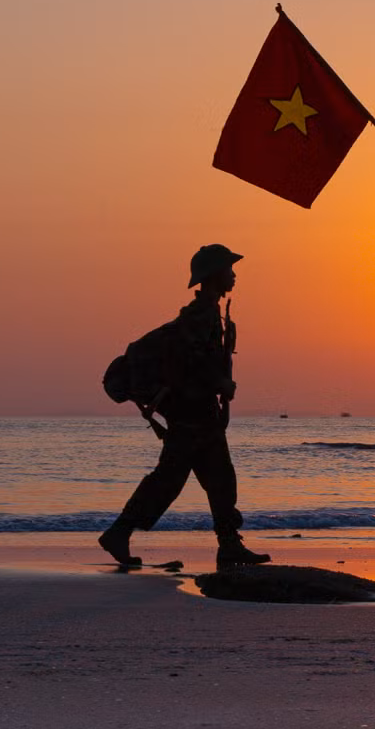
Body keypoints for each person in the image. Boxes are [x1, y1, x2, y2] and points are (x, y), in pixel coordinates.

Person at [98, 244, 271, 569]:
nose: (234, 274)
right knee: (179, 481)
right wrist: (221, 384)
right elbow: (192, 363)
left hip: (196, 414)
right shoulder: (201, 316)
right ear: (215, 274)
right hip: (192, 415)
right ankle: (120, 533)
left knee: (209, 479)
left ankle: (228, 544)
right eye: (229, 268)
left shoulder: (209, 313)